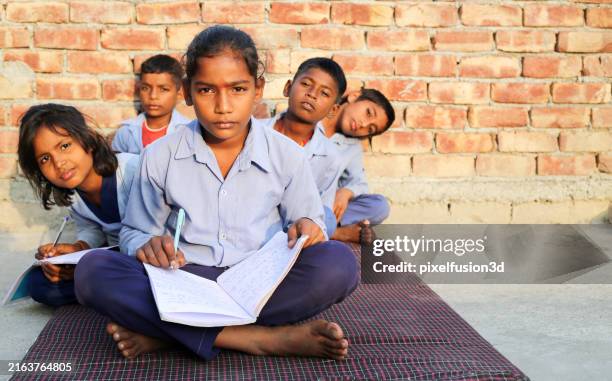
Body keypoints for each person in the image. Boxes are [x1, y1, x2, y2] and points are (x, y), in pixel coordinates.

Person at [74, 25, 359, 361]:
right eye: (207, 90)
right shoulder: (160, 155)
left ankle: (170, 335)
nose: (223, 106)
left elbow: (309, 222)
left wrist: (309, 229)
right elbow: (135, 233)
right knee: (93, 271)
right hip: (183, 280)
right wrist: (148, 246)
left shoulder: (287, 155)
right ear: (188, 92)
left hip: (258, 283)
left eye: (238, 89)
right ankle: (261, 339)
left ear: (258, 89)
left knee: (340, 264)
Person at [17, 103, 139, 306]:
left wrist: (86, 265)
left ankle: (107, 289)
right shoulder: (75, 196)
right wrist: (76, 249)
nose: (58, 163)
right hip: (116, 264)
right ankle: (112, 292)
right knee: (39, 283)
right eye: (45, 158)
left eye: (64, 146)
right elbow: (91, 229)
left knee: (93, 270)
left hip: (150, 256)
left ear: (88, 140)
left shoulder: (133, 171)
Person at [259, 57, 346, 236]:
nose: (312, 94)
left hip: (296, 227)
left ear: (333, 110)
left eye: (324, 93)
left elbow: (321, 209)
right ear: (288, 88)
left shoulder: (330, 157)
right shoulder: (255, 133)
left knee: (326, 221)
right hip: (254, 220)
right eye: (306, 84)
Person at [320, 89, 396, 243]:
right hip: (293, 200)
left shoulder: (351, 147)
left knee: (379, 206)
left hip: (322, 207)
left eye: (370, 129)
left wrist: (347, 192)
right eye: (368, 113)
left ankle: (320, 228)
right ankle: (335, 233)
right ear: (354, 96)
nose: (363, 124)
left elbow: (360, 183)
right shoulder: (315, 116)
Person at [112, 54, 191, 154]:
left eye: (163, 89)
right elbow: (116, 166)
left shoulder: (188, 131)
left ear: (179, 93)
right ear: (138, 90)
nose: (153, 96)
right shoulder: (126, 132)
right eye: (145, 88)